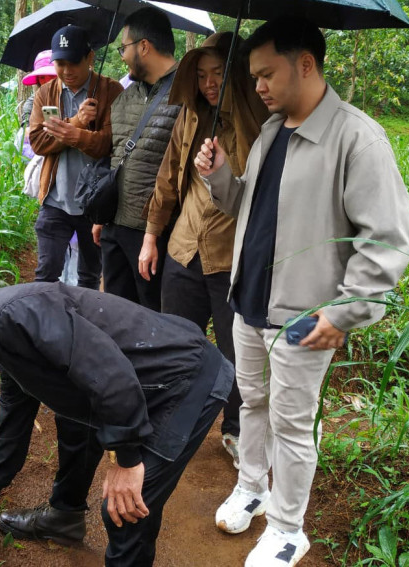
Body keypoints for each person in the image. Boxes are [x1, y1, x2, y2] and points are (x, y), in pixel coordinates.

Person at [193, 17, 409, 567]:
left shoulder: (356, 138)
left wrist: (345, 313)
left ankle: (290, 529)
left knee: (292, 421)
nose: (258, 86)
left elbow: (387, 239)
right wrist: (221, 176)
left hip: (303, 316)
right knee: (251, 402)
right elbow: (251, 210)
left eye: (266, 74)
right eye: (254, 76)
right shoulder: (273, 131)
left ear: (306, 64)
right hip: (248, 302)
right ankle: (252, 487)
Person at [0, 272, 234, 566]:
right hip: (151, 381)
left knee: (124, 510)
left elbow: (110, 373)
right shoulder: (0, 333)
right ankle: (64, 518)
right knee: (74, 422)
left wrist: (127, 461)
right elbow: (14, 419)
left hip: (185, 380)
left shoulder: (16, 315)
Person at [138, 32, 269, 468]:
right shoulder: (191, 116)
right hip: (184, 250)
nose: (209, 83)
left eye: (218, 73)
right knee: (174, 343)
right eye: (202, 74)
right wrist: (151, 235)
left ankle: (235, 432)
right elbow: (168, 174)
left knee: (236, 354)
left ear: (235, 74)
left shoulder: (259, 119)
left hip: (233, 258)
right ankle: (168, 424)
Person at [94, 7, 181, 310]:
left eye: (124, 47)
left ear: (144, 46)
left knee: (152, 316)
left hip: (153, 233)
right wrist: (103, 215)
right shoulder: (125, 97)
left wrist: (154, 234)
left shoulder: (187, 93)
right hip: (115, 226)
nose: (121, 55)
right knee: (117, 315)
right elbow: (117, 154)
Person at [28, 25, 123, 289]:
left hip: (95, 204)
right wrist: (77, 123)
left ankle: (83, 324)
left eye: (74, 63)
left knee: (90, 276)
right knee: (46, 274)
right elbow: (38, 142)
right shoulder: (45, 94)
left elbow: (110, 144)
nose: (67, 71)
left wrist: (72, 135)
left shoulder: (111, 92)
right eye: (60, 63)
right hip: (55, 199)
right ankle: (44, 325)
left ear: (90, 58)